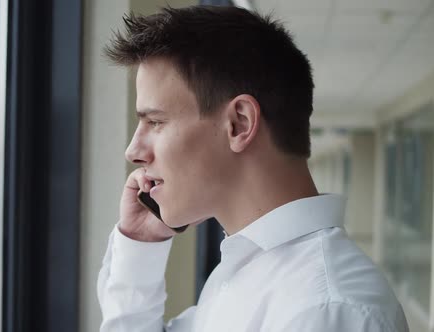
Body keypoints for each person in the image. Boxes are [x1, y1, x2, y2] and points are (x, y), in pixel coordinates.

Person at [97, 5, 409, 332]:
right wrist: (141, 242)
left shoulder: (324, 310)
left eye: (155, 122)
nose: (133, 151)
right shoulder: (246, 271)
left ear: (239, 124)